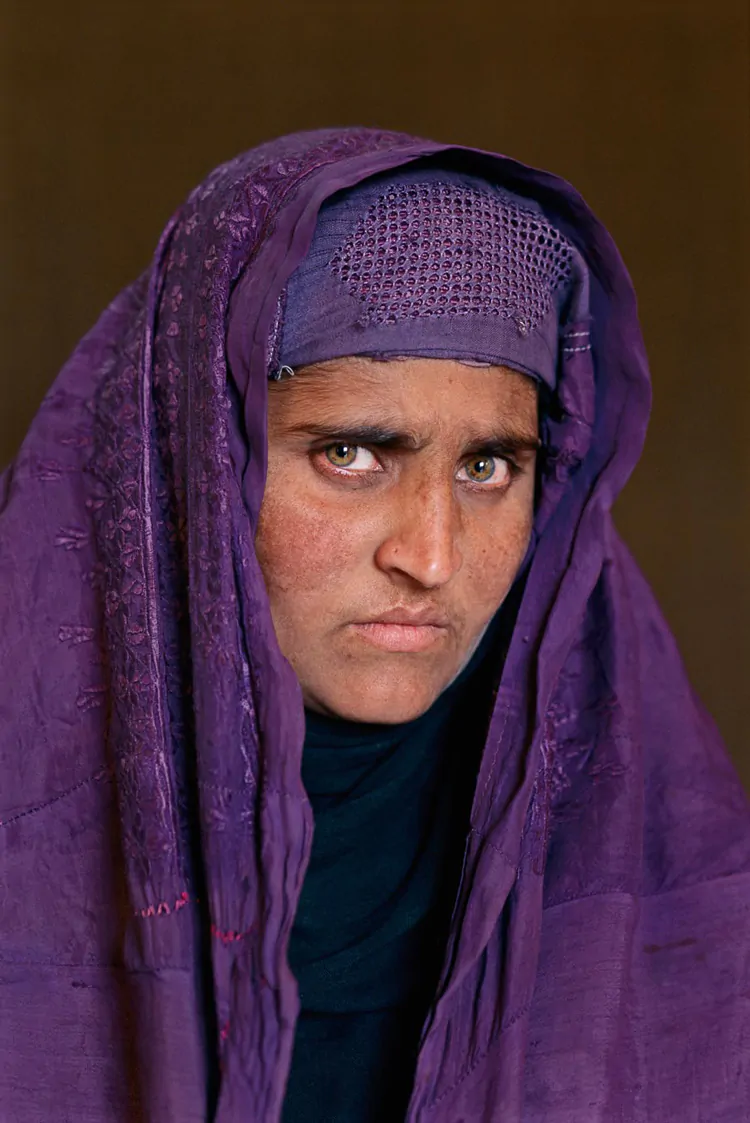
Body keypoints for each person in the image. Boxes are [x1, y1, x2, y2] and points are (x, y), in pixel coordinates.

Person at [0, 127, 748, 1123]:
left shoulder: (653, 872)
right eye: (352, 454)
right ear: (193, 470)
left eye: (490, 467)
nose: (431, 557)